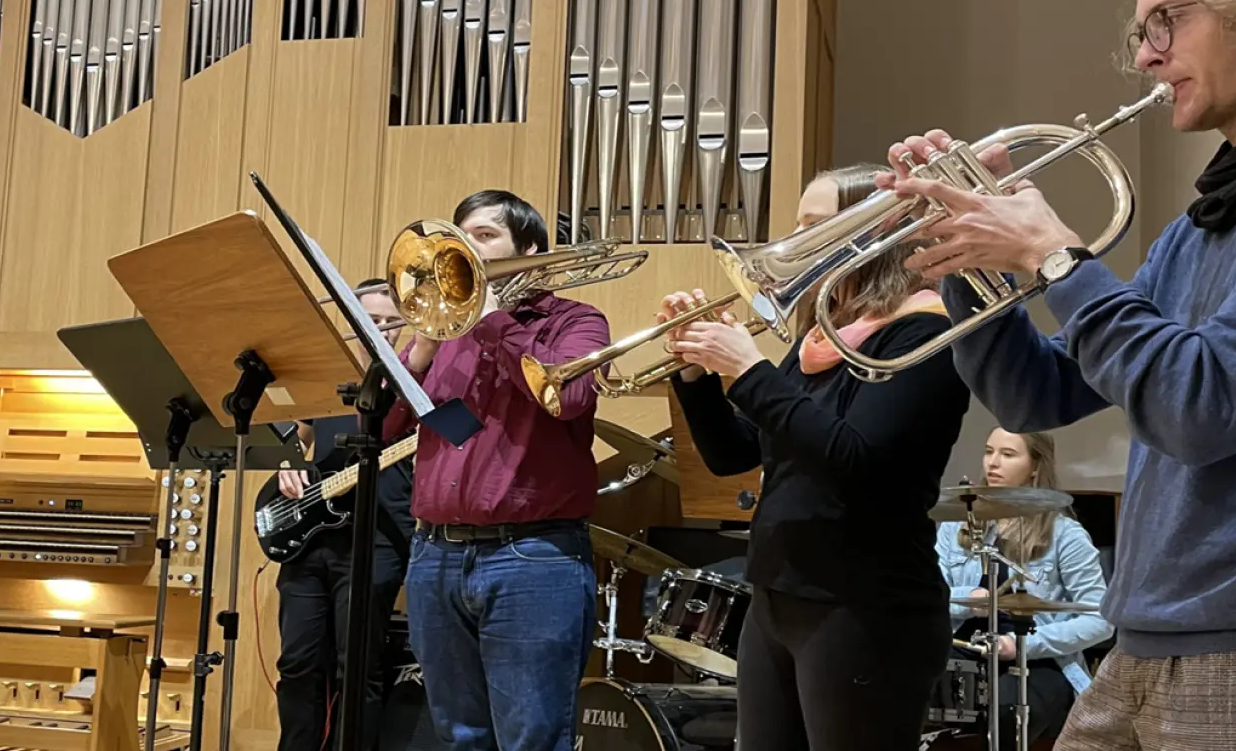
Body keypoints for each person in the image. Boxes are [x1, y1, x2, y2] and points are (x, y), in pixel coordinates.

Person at [883, 0, 1236, 748]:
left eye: (1167, 21)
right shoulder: (1207, 218)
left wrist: (1058, 258)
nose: (1145, 56)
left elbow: (1201, 405)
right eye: (1141, 31)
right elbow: (1038, 389)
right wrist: (966, 255)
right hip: (1149, 640)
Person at [662, 163, 972, 750]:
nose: (790, 243)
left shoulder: (923, 333)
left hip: (863, 606)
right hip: (778, 597)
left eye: (814, 225)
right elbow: (733, 454)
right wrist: (697, 373)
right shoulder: (824, 336)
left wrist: (748, 369)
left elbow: (856, 460)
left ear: (874, 231)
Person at [383, 189, 610, 751]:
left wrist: (492, 321)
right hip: (435, 555)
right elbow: (387, 431)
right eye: (461, 237)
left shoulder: (575, 322)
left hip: (532, 558)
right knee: (459, 736)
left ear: (527, 248)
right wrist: (414, 359)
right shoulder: (444, 338)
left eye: (484, 236)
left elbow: (570, 395)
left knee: (531, 737)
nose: (467, 248)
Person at [275, 278, 414, 751]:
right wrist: (287, 463)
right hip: (309, 537)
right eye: (368, 320)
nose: (379, 330)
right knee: (297, 664)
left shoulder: (415, 380)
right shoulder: (322, 377)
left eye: (390, 322)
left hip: (378, 539)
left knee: (357, 669)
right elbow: (293, 436)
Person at [936, 428, 1113, 749]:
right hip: (963, 648)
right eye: (989, 451)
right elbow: (929, 598)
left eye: (1007, 454)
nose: (993, 463)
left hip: (1039, 661)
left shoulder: (1066, 536)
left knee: (1005, 712)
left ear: (1035, 466)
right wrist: (966, 603)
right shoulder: (954, 527)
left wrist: (1021, 646)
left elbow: (1101, 620)